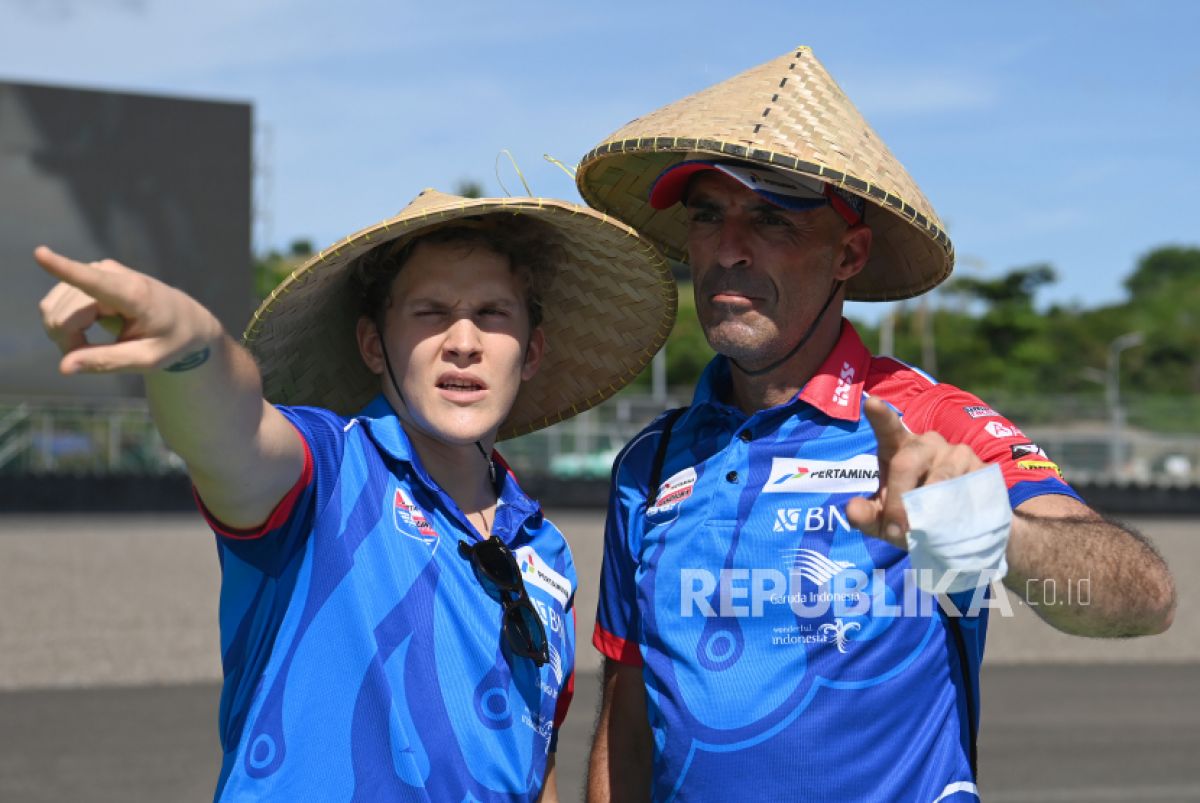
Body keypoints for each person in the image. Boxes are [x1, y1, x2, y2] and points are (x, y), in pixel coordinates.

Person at [575, 47, 1176, 802]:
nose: (729, 249)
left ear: (849, 254)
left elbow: (1142, 598)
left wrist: (989, 529)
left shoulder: (929, 422)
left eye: (770, 218)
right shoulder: (650, 461)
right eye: (708, 215)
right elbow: (628, 719)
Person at [34, 188, 676, 802]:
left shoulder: (549, 555)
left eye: (492, 313)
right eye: (430, 313)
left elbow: (533, 770)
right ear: (374, 344)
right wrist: (190, 349)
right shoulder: (328, 470)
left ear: (530, 351)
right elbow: (233, 434)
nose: (463, 341)